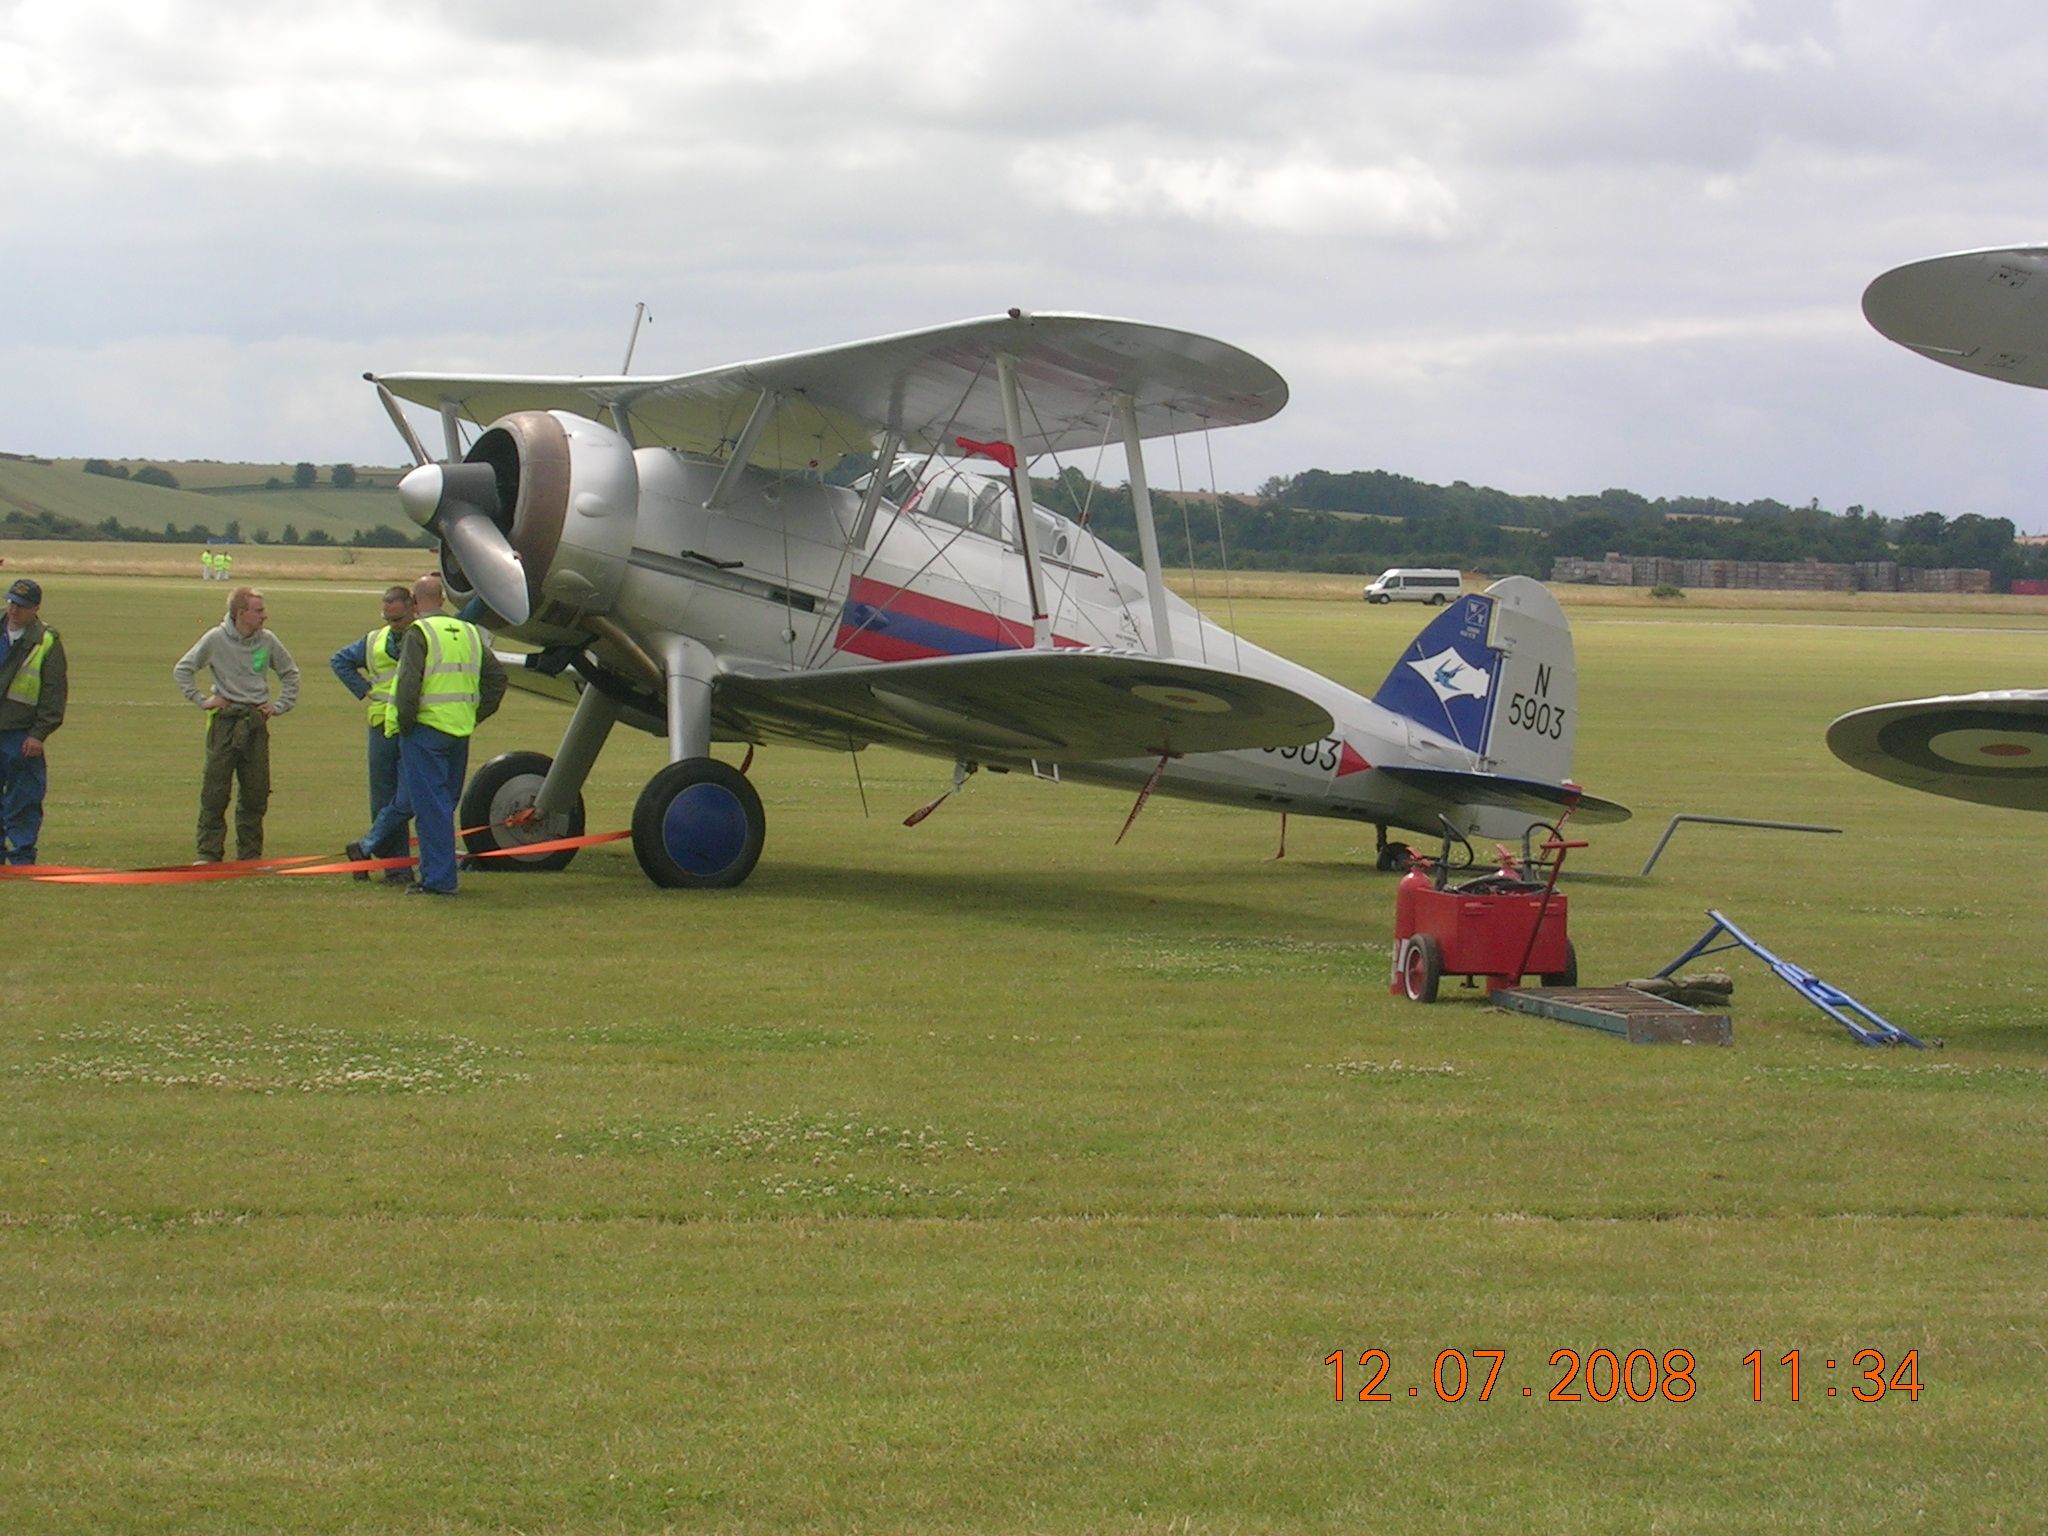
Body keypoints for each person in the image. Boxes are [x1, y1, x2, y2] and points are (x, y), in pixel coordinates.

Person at [173, 587, 301, 862]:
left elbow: (290, 674)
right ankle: (208, 854)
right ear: (241, 613)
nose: (264, 616)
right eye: (259, 610)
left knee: (256, 791)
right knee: (215, 790)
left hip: (255, 722)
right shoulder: (216, 638)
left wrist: (279, 706)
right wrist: (202, 700)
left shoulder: (268, 641)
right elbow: (183, 669)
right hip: (225, 722)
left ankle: (250, 855)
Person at [332, 585, 416, 879]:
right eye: (388, 619)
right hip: (385, 724)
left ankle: (368, 850)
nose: (392, 626)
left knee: (404, 798)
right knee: (386, 799)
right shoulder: (374, 640)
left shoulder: (425, 634)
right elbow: (339, 660)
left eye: (397, 619)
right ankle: (394, 869)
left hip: (407, 724)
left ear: (412, 607)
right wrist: (364, 690)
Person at [0, 578, 68, 865]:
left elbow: (54, 693)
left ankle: (21, 857)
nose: (15, 610)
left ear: (36, 608)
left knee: (24, 799)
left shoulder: (47, 641)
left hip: (21, 735)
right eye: (12, 602)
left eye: (22, 606)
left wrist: (39, 734)